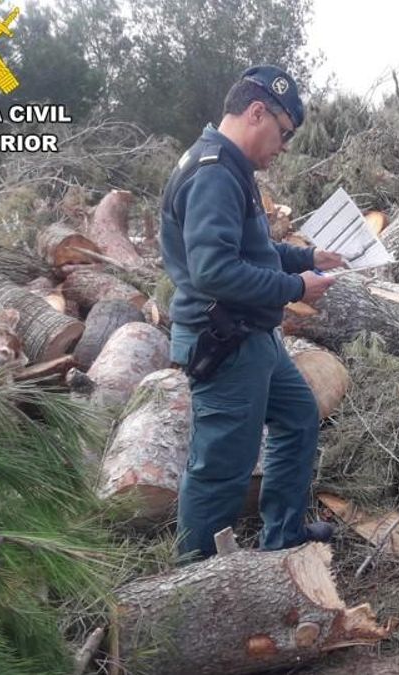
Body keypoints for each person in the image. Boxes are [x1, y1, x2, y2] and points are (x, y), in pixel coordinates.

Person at [159, 64, 343, 560]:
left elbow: (252, 249)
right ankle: (193, 577)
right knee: (221, 467)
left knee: (298, 416)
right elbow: (215, 271)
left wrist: (308, 258)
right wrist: (295, 286)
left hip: (254, 335)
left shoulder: (230, 168)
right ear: (257, 111)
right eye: (282, 134)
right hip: (226, 341)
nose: (282, 147)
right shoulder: (215, 173)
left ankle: (281, 538)